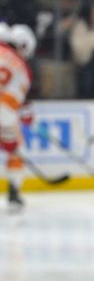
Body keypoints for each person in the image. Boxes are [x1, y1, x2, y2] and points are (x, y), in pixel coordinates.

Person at [0, 24, 35, 212]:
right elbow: (6, 108)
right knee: (17, 149)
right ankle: (14, 191)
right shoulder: (21, 68)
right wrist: (10, 140)